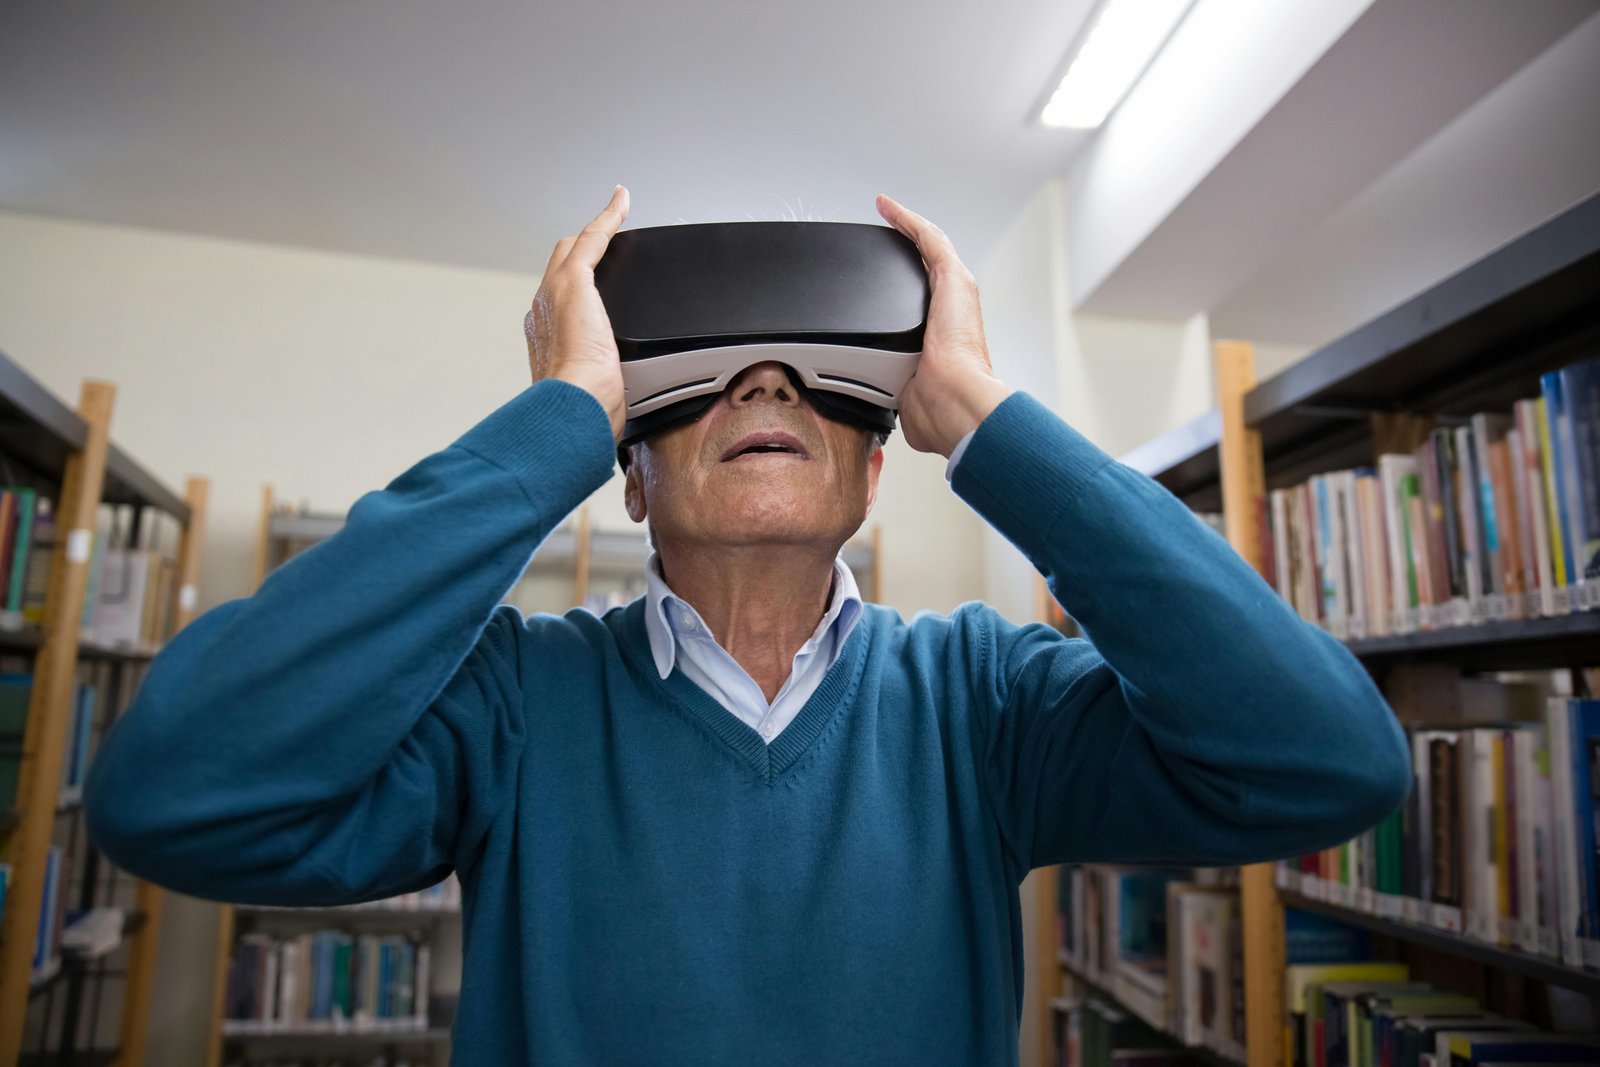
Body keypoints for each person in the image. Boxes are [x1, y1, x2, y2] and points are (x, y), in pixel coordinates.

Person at [86, 186, 1410, 1066]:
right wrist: (554, 417)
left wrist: (989, 417)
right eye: (697, 381)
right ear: (627, 467)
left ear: (880, 467)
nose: (764, 382)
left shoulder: (985, 704)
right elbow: (174, 793)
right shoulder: (508, 707)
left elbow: (1327, 762)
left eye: (811, 374)